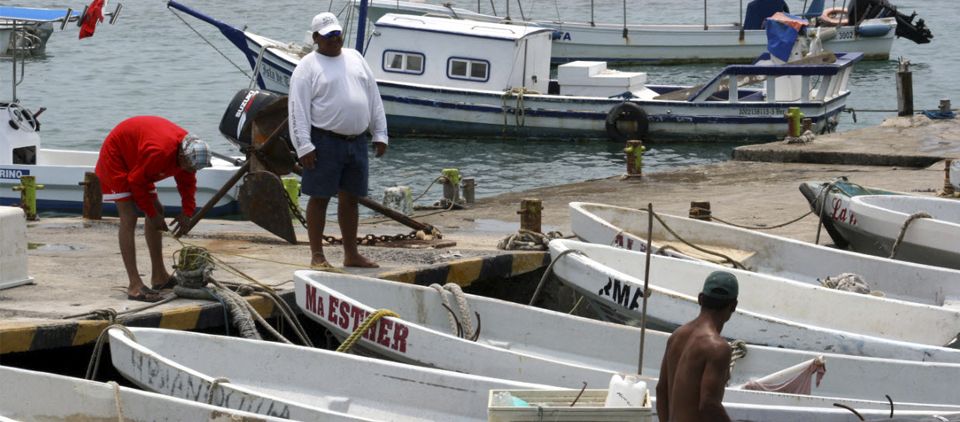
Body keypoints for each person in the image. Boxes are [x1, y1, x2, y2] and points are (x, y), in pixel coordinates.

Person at [288, 12, 388, 270]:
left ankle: (351, 254)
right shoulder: (306, 67)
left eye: (337, 33)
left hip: (356, 141)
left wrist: (380, 133)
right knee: (319, 197)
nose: (334, 39)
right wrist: (304, 146)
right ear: (316, 38)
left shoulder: (355, 57)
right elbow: (297, 110)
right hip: (324, 141)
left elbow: (373, 95)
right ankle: (317, 255)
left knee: (351, 197)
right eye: (328, 35)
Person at [94, 116, 212, 302]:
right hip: (116, 156)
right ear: (182, 156)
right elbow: (135, 180)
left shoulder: (187, 155)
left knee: (159, 209)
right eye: (189, 167)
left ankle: (159, 277)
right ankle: (134, 284)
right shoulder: (159, 153)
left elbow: (187, 181)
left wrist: (187, 212)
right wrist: (150, 214)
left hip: (137, 157)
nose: (191, 171)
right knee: (129, 216)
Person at [656, 271, 739, 422]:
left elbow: (661, 391)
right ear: (733, 306)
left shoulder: (677, 336)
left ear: (700, 299)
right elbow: (708, 404)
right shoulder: (718, 348)